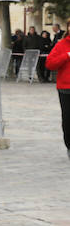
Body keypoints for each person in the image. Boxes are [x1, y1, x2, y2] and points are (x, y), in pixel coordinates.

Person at [45, 21, 70, 159]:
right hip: (66, 88)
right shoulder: (61, 45)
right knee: (67, 119)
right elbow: (50, 63)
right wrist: (66, 56)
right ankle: (69, 145)